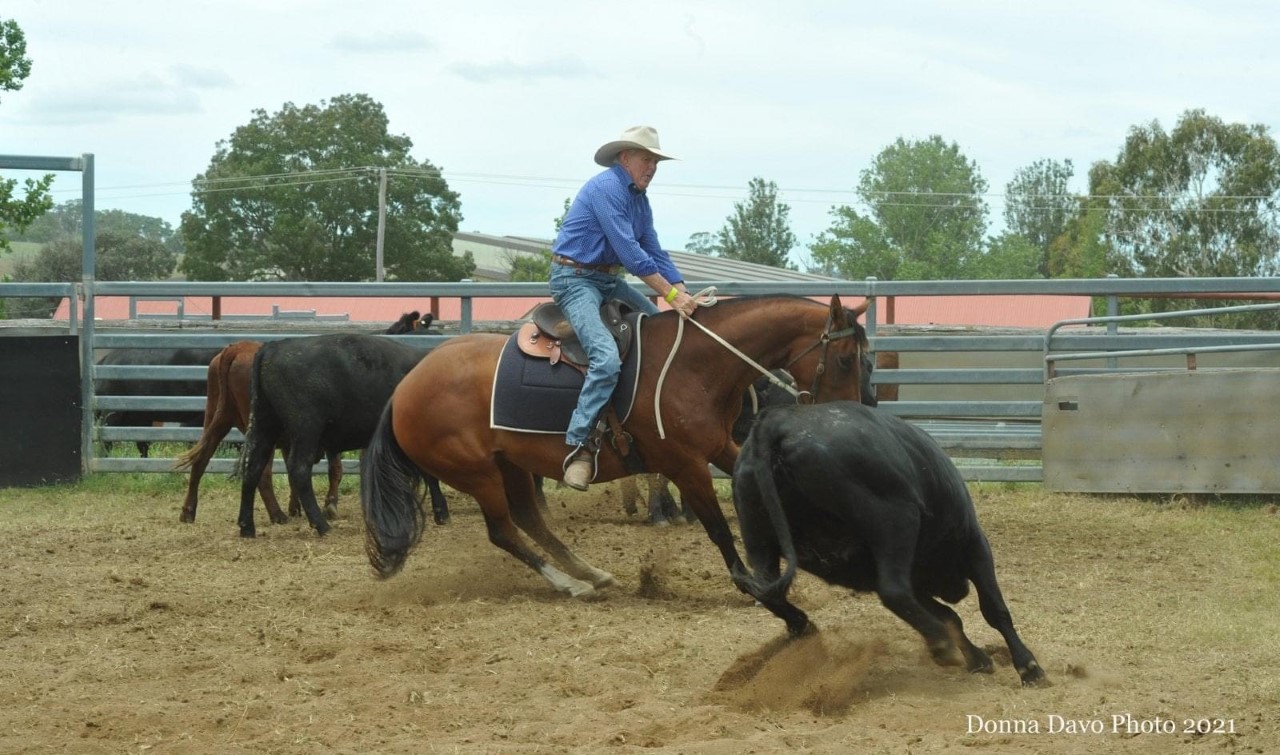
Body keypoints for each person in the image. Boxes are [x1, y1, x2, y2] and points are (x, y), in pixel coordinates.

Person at [549, 125, 698, 491]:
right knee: (605, 358)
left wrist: (682, 291)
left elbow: (654, 250)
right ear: (625, 157)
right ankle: (579, 446)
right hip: (574, 280)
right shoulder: (606, 189)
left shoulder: (638, 200)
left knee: (663, 330)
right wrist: (673, 297)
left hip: (604, 281)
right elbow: (631, 253)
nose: (653, 168)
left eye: (656, 162)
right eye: (647, 159)